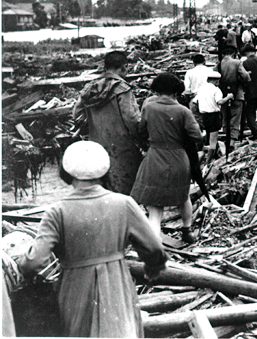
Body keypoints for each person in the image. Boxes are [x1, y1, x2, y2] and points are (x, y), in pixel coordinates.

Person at [17, 140, 167, 337]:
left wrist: (20, 263)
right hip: (116, 283)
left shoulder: (57, 211)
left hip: (74, 288)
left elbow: (34, 262)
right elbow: (155, 248)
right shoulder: (124, 204)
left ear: (67, 172)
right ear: (104, 171)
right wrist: (152, 269)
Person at [130, 73, 204, 243]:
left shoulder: (149, 107)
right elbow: (197, 136)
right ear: (176, 91)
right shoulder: (182, 111)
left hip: (155, 156)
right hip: (179, 158)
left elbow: (141, 130)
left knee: (155, 204)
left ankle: (154, 244)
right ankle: (187, 231)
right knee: (183, 196)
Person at [73, 50, 142, 195]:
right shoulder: (123, 89)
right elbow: (132, 119)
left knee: (103, 189)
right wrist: (141, 140)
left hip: (96, 146)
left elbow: (77, 114)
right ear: (124, 67)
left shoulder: (90, 88)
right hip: (123, 149)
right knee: (126, 191)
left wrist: (90, 126)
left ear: (105, 67)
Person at [191, 72, 234, 164]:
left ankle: (206, 156)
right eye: (218, 81)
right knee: (213, 141)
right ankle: (208, 162)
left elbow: (194, 102)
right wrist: (228, 97)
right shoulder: (216, 90)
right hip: (214, 115)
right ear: (214, 80)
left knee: (208, 136)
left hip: (204, 116)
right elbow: (220, 102)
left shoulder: (201, 89)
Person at [215, 46, 251, 147]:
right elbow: (245, 76)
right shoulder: (237, 62)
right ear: (233, 54)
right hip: (237, 94)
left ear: (223, 54)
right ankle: (232, 140)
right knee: (236, 117)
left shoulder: (218, 65)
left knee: (225, 116)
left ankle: (226, 136)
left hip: (223, 95)